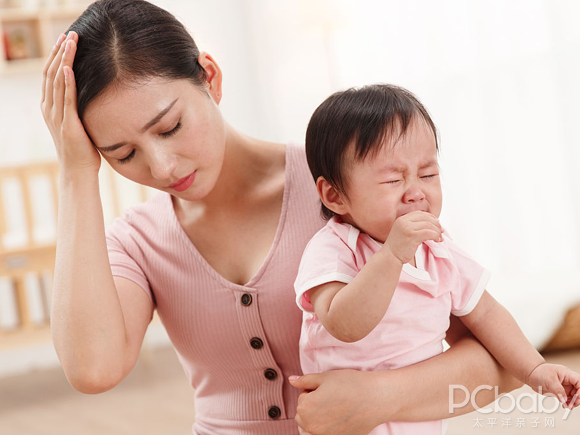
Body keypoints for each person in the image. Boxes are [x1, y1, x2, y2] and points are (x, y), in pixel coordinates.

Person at [40, 1, 521, 434]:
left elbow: (499, 363)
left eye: (171, 126)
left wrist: (380, 398)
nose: (163, 167)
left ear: (211, 77)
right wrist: (75, 172)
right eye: (123, 154)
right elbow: (92, 369)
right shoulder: (136, 240)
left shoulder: (344, 192)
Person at [294, 83, 580, 434]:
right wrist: (392, 255)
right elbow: (344, 324)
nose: (416, 192)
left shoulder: (437, 248)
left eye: (428, 174)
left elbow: (486, 312)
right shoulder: (334, 248)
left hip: (417, 419)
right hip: (346, 420)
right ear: (334, 195)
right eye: (393, 180)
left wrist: (535, 370)